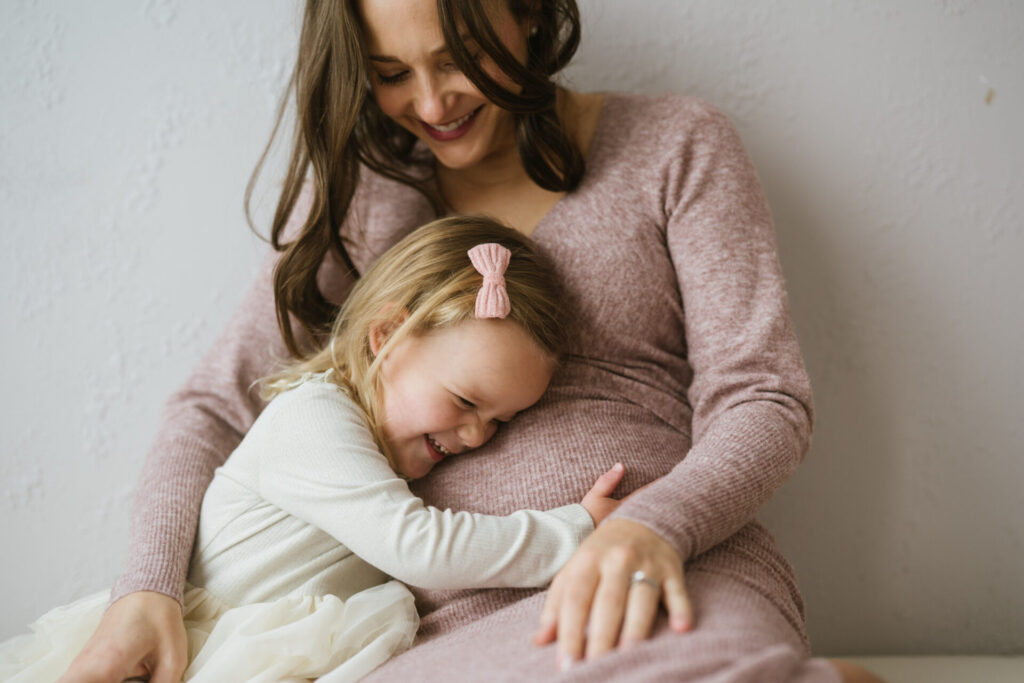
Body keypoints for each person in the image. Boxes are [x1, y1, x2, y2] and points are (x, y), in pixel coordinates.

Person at [60, 1, 881, 681]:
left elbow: (763, 396)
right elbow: (213, 406)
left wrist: (652, 525)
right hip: (431, 621)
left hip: (651, 560)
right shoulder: (371, 204)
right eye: (390, 74)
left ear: (525, 14)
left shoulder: (674, 147)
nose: (430, 103)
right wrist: (149, 588)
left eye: (458, 57)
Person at [0, 217, 630, 682]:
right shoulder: (314, 420)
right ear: (385, 337)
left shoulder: (378, 447)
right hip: (201, 650)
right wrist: (578, 531)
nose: (475, 437)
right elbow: (418, 547)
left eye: (502, 421)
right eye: (466, 402)